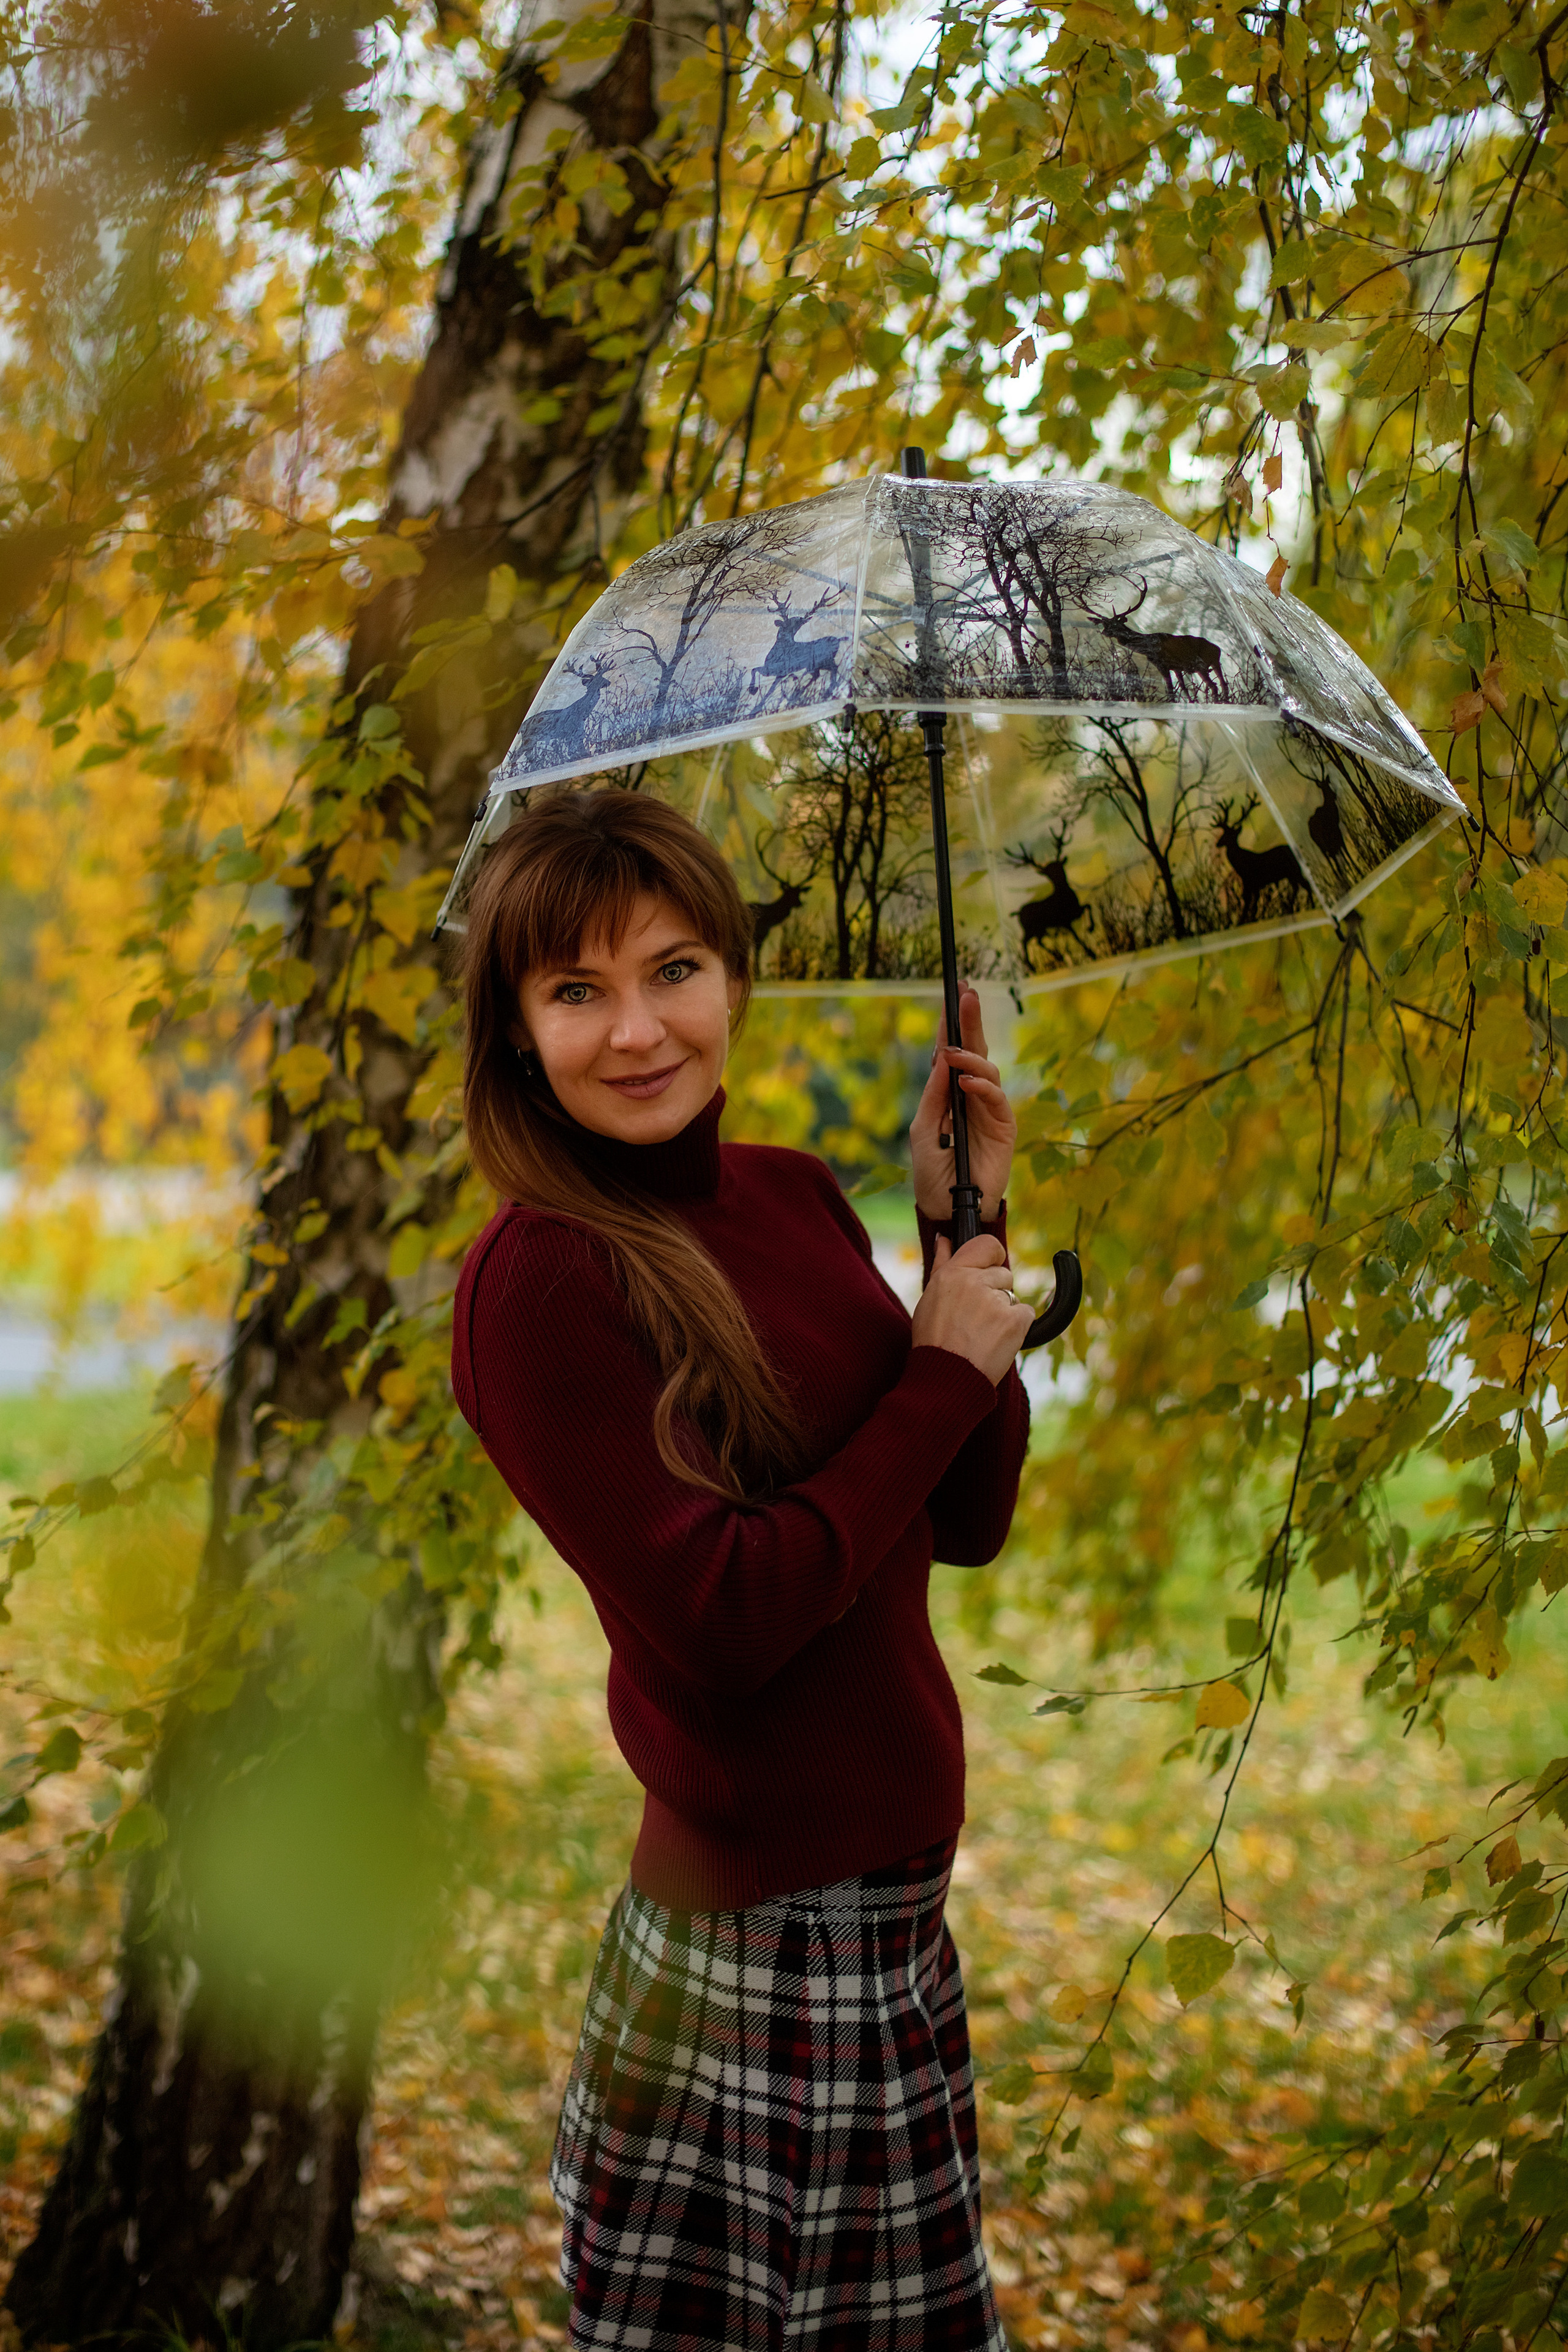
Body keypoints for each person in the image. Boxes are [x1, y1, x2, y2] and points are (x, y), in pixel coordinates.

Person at [451, 786, 1034, 2351]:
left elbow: (959, 1518)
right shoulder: (541, 1281)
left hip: (893, 1939)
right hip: (746, 1959)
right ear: (515, 1032)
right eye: (575, 990)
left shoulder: (781, 1192)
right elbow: (728, 1620)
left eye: (674, 969)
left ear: (733, 981)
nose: (637, 1030)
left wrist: (949, 1237)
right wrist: (933, 1376)